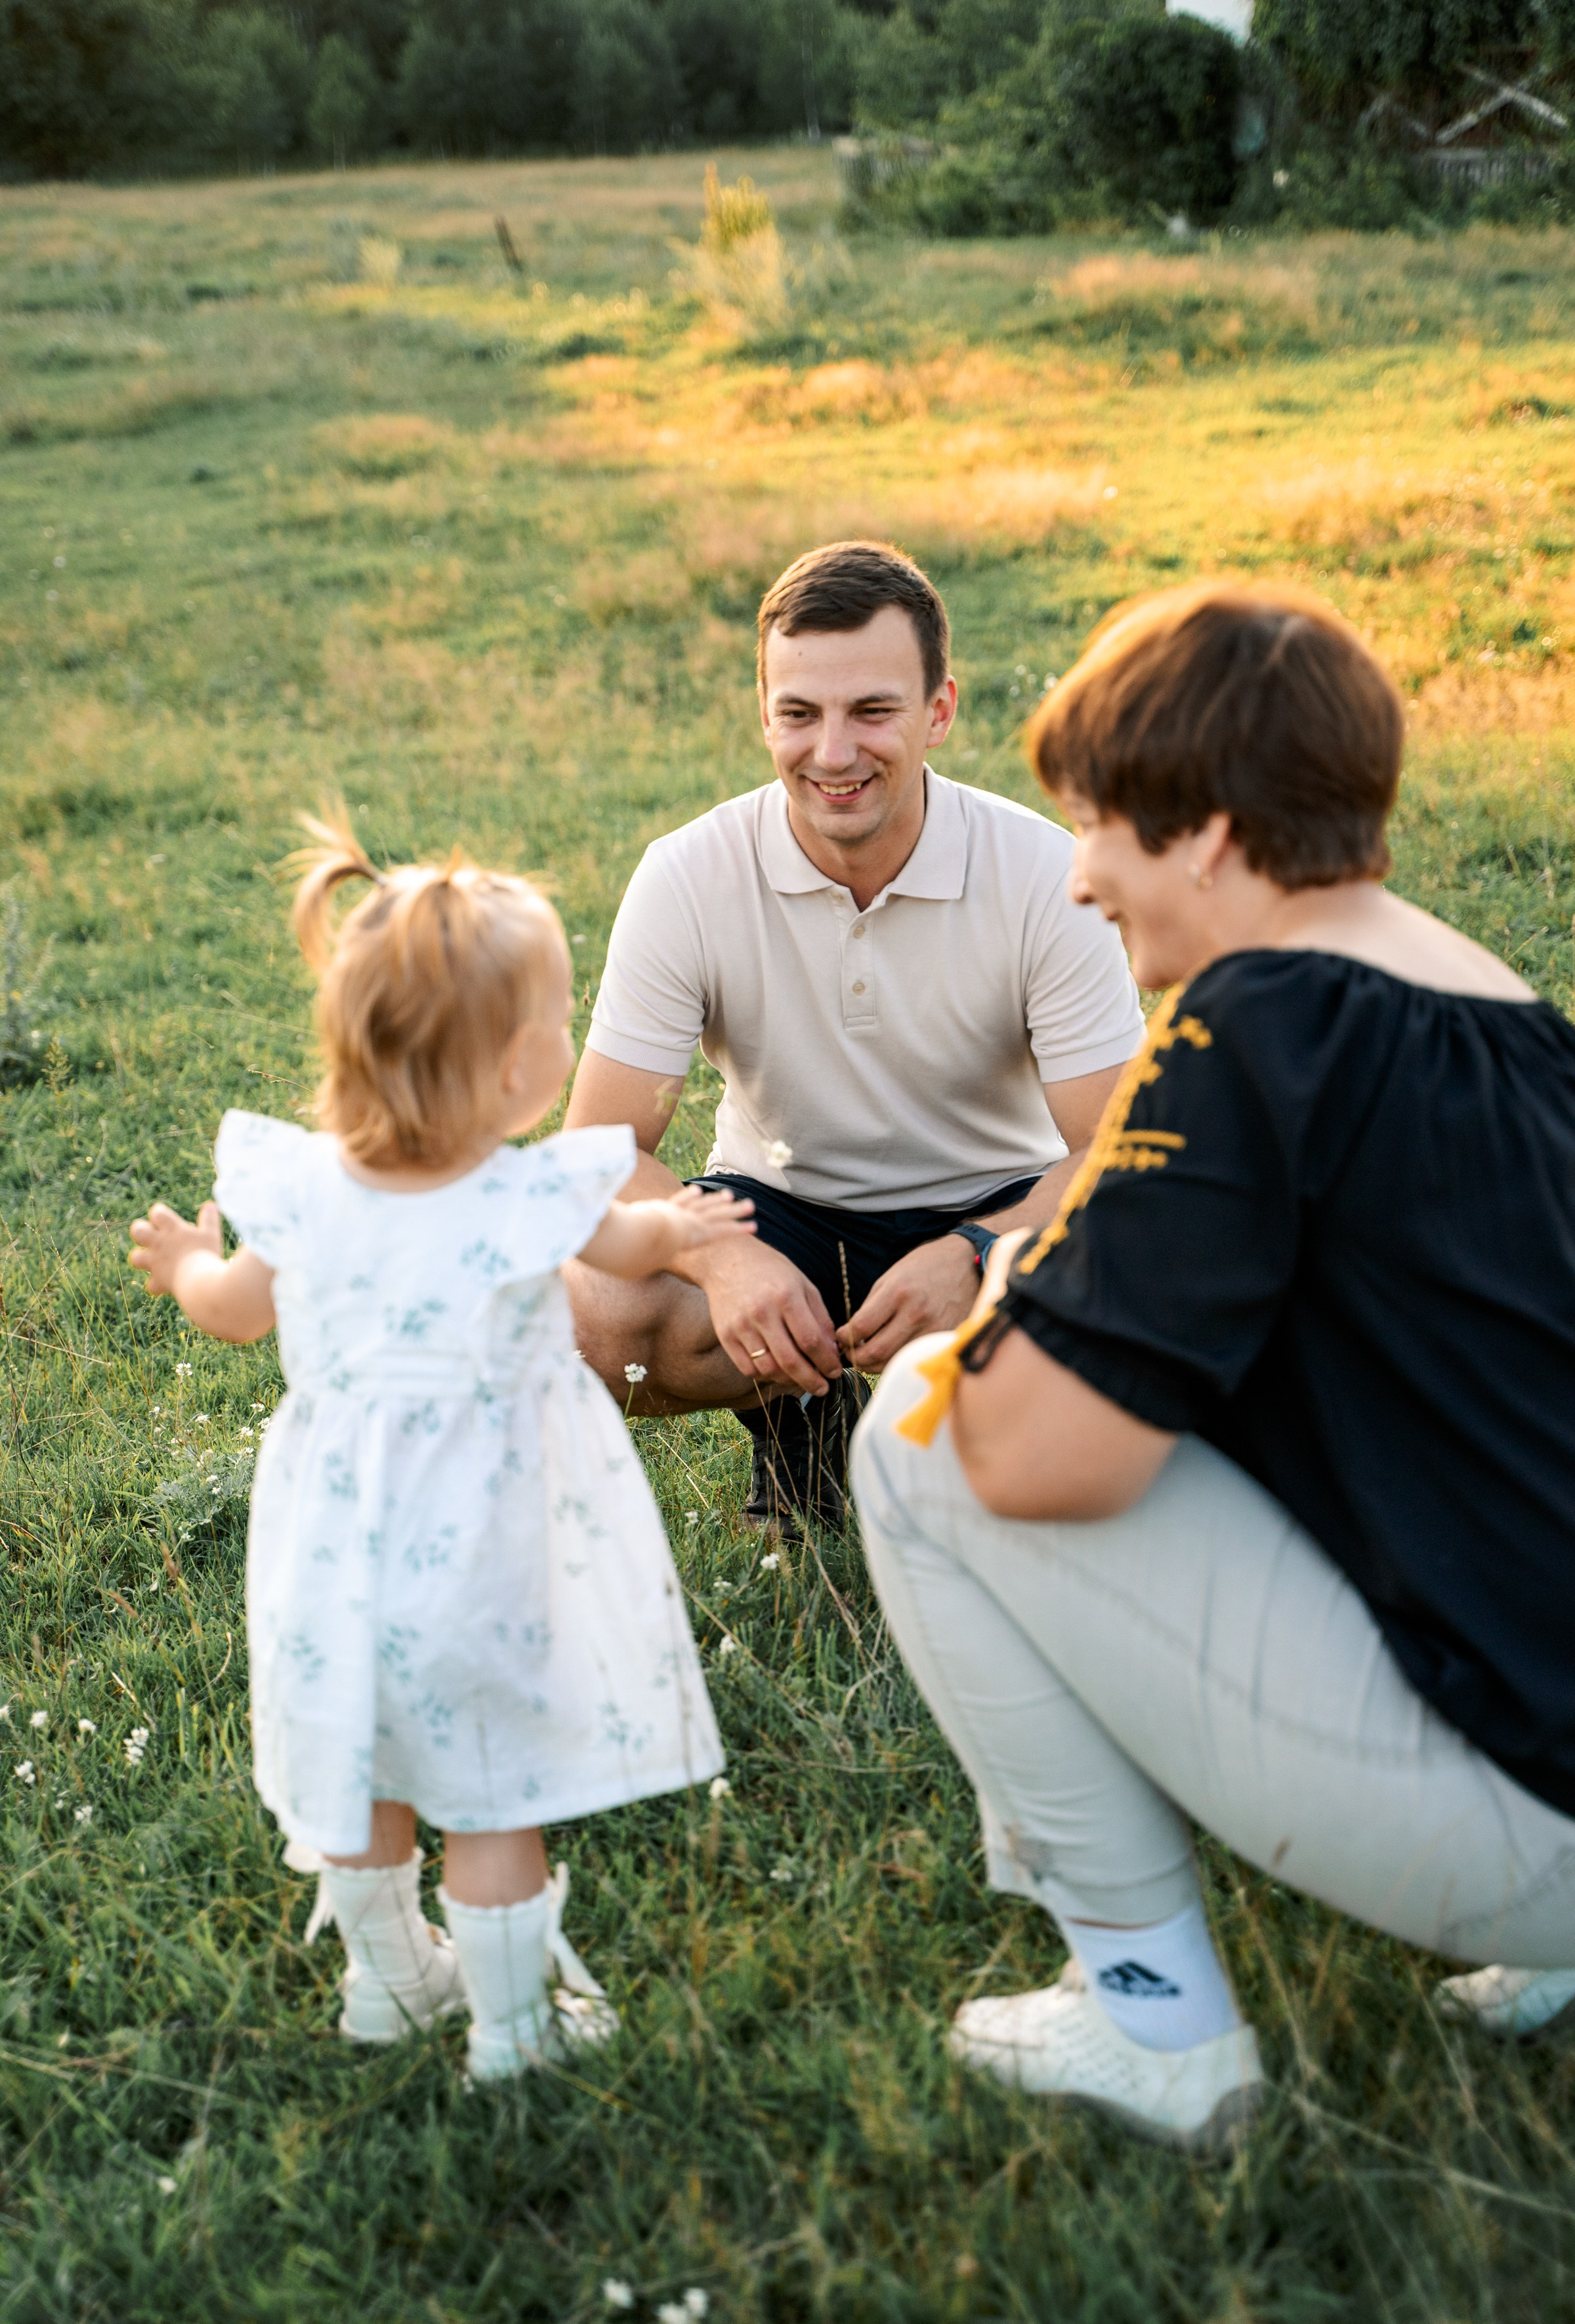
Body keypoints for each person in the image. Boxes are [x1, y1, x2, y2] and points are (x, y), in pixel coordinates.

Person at [850, 581, 1575, 2151]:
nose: (1086, 878)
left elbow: (1043, 1458)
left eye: (1104, 825)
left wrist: (1022, 1267)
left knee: (916, 1433)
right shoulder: (1506, 1010)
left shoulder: (1260, 1017)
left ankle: (1152, 2023)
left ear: (1213, 833)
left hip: (1532, 1818)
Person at [128, 814, 751, 2082]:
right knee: (489, 1785)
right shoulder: (525, 1194)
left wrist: (190, 1258)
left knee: (364, 1760)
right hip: (486, 1548)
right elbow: (621, 1245)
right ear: (524, 1070)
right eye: (563, 1019)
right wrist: (682, 1233)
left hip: (336, 1543)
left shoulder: (301, 1192)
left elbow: (235, 1314)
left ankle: (386, 1982)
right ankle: (514, 2033)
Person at [564, 540, 1144, 1527]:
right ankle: (805, 1421)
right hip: (777, 1208)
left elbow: (1119, 1151)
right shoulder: (688, 875)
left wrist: (976, 1252)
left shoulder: (1048, 875)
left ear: (939, 711)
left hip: (995, 1204)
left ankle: (948, 1442)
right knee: (590, 1313)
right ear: (765, 717)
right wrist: (721, 1259)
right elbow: (598, 1152)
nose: (832, 753)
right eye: (799, 714)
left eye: (872, 711)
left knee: (1134, 1318)